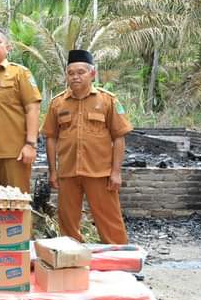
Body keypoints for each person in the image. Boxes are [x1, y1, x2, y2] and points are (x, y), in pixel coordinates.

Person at [41, 50, 133, 244]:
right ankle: (72, 261)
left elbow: (119, 137)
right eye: (71, 73)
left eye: (81, 72)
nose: (75, 76)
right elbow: (51, 138)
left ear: (92, 74)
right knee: (67, 223)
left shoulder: (108, 101)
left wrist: (116, 172)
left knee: (109, 220)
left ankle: (120, 263)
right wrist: (52, 171)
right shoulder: (57, 104)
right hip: (68, 172)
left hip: (100, 173)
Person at [0, 26, 41, 194]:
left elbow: (32, 107)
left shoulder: (19, 73)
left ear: (8, 47)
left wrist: (31, 144)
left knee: (17, 205)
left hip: (14, 153)